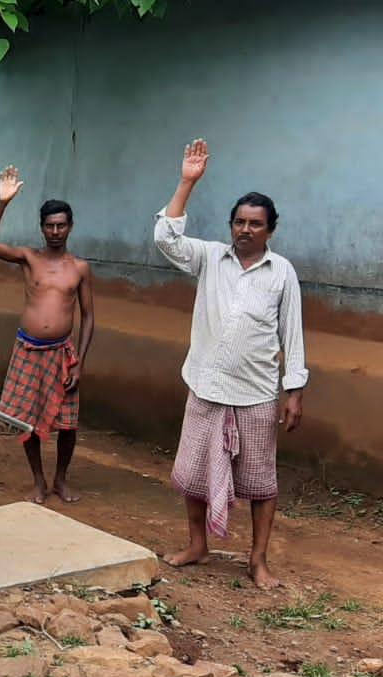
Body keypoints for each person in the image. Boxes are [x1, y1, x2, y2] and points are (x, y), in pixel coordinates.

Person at [154, 139, 307, 589]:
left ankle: (258, 560)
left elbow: (291, 334)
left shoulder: (282, 273)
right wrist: (187, 181)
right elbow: (165, 237)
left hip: (256, 393)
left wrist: (294, 390)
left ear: (270, 230)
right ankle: (198, 545)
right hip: (205, 385)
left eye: (255, 224)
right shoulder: (208, 258)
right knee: (194, 473)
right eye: (239, 222)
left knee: (261, 482)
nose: (245, 230)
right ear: (230, 226)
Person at [0, 166, 95, 505]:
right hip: (29, 350)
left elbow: (89, 317)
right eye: (49, 225)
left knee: (68, 424)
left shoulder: (80, 268)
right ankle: (38, 481)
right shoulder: (28, 258)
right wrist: (2, 203)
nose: (55, 231)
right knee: (26, 421)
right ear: (42, 227)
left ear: (70, 227)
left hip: (63, 353)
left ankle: (61, 479)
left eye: (61, 225)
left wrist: (80, 364)